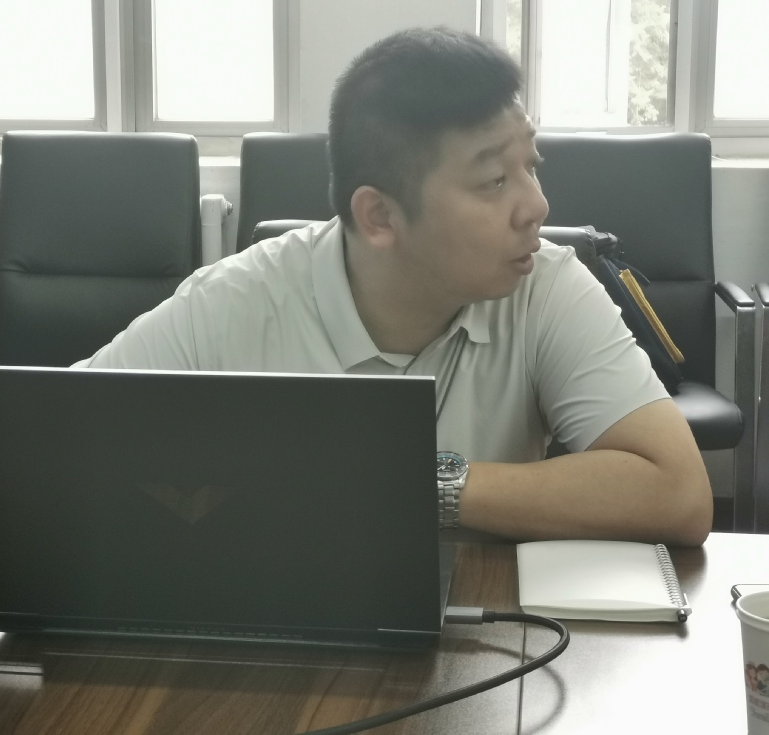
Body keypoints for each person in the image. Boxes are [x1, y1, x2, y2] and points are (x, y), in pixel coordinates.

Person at [75, 27, 712, 546]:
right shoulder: (234, 300)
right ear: (379, 216)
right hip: (281, 626)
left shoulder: (544, 287)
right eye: (494, 181)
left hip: (482, 632)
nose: (537, 207)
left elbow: (679, 493)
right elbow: (54, 442)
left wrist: (421, 483)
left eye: (531, 165)